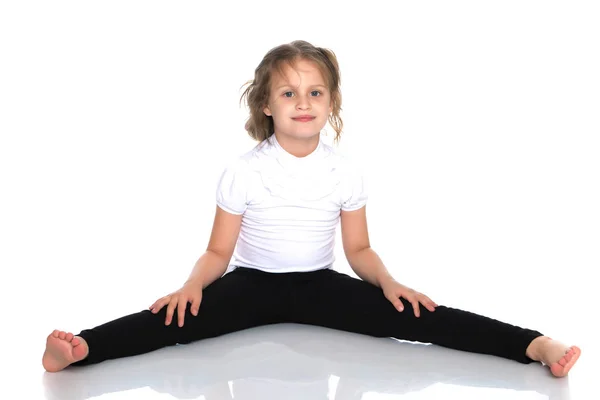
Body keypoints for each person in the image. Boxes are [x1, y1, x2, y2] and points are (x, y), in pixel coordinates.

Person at [42, 40, 580, 378]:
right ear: (265, 104)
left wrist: (388, 281)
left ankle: (532, 345)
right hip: (252, 284)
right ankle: (81, 349)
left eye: (315, 92)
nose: (303, 103)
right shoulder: (245, 170)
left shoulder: (345, 170)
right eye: (288, 93)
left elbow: (359, 248)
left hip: (320, 285)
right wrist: (191, 286)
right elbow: (217, 250)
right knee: (171, 318)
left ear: (331, 103)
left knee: (419, 315)